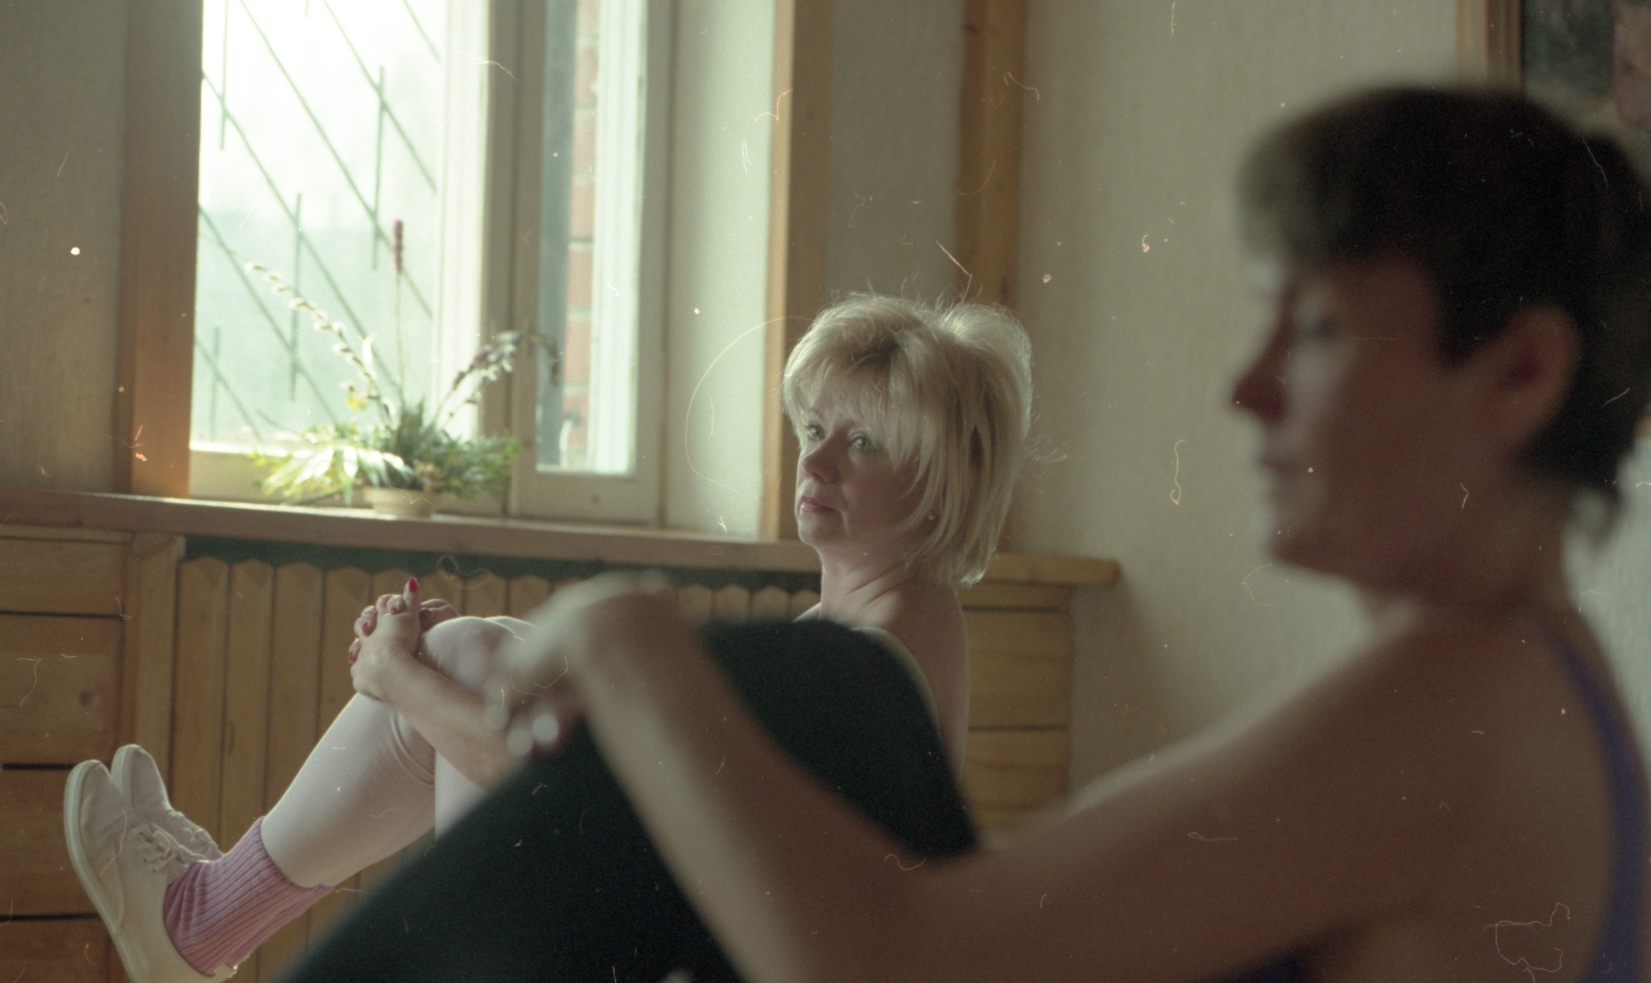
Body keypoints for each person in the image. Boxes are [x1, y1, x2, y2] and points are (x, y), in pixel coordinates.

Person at [291, 86, 1650, 982]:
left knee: (801, 702)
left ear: (1518, 373)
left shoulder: (1452, 702)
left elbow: (897, 964)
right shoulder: (1528, 681)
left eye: (1319, 329)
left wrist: (635, 648)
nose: (1243, 388)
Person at [61, 294, 1033, 983]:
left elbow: (604, 803)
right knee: (482, 651)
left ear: (942, 479)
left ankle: (202, 919)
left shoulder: (879, 655)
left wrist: (400, 678)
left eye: (862, 442)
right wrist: (444, 668)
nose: (814, 462)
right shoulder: (871, 625)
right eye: (813, 427)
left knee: (471, 665)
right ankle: (203, 917)